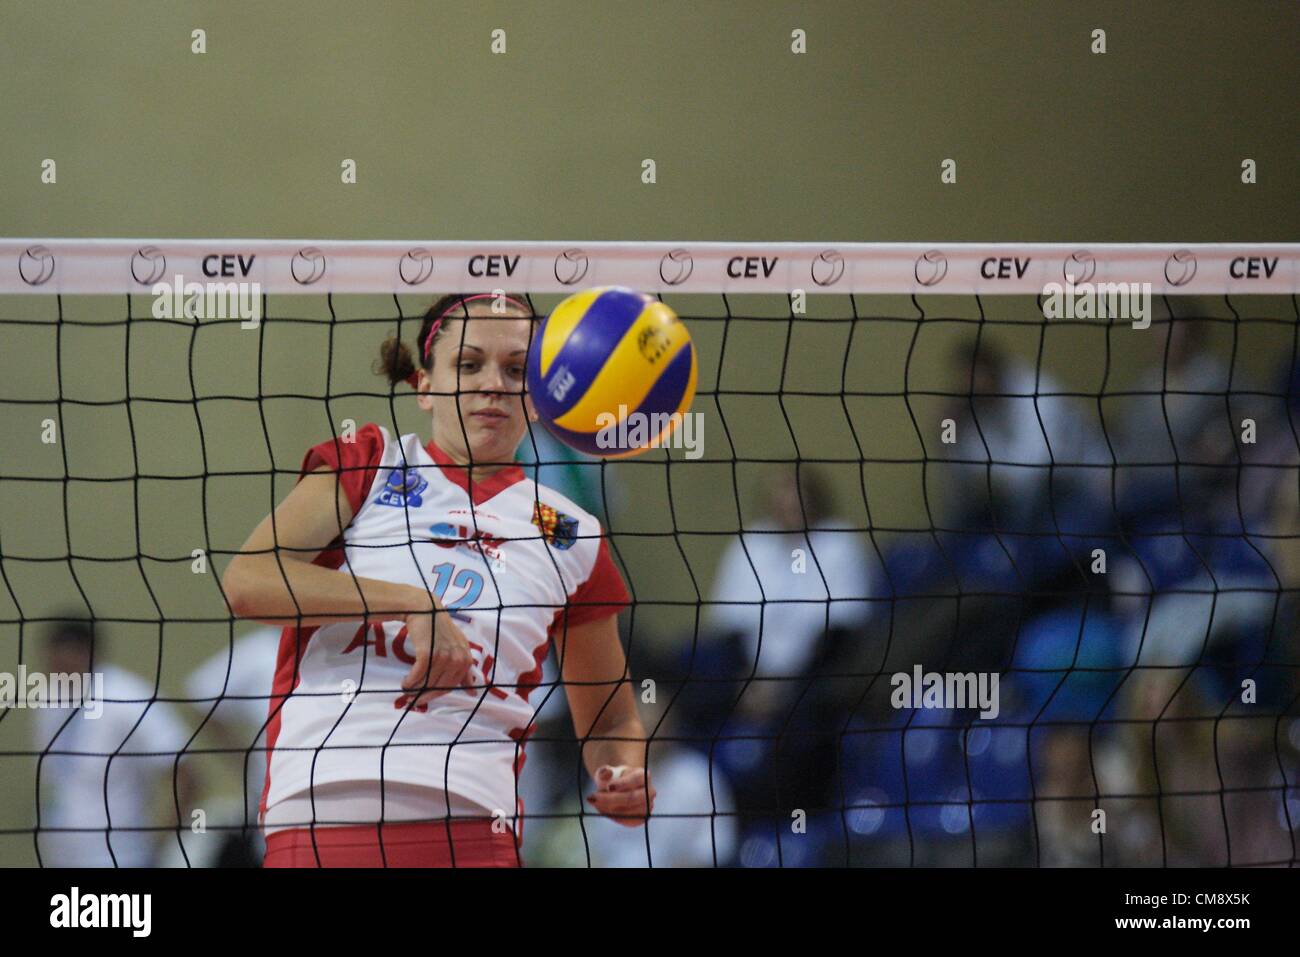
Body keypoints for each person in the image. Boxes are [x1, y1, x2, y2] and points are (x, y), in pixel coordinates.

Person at [221, 292, 655, 868]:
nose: (492, 384)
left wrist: (622, 772)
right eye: (469, 364)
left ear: (538, 396)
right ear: (424, 384)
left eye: (515, 370)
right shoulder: (369, 465)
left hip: (474, 827)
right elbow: (250, 580)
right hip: (325, 812)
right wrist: (412, 606)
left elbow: (610, 717)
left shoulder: (572, 534)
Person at [32, 616, 198, 867]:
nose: (58, 666)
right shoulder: (48, 698)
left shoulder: (127, 697)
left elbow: (188, 775)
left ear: (91, 652)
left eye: (68, 655)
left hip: (120, 857)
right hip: (59, 855)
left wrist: (160, 843)